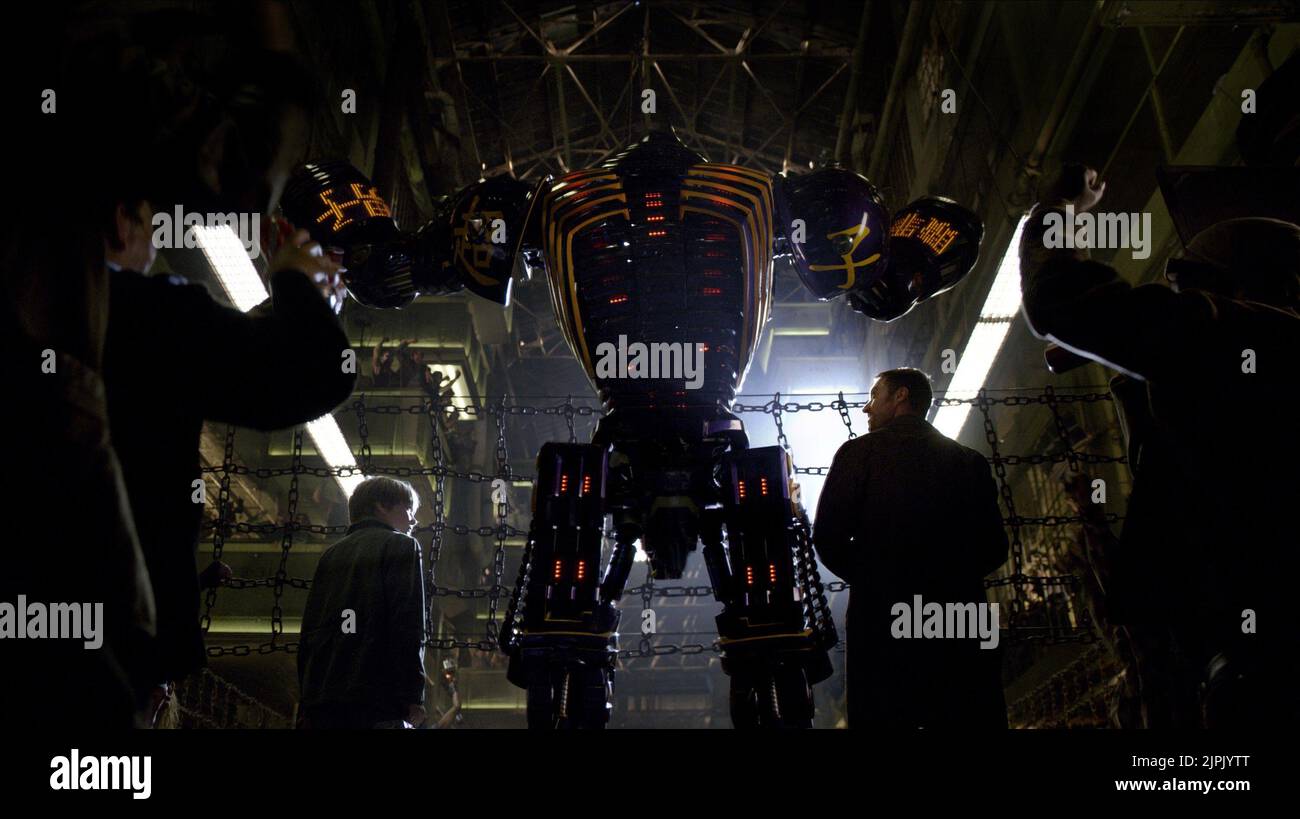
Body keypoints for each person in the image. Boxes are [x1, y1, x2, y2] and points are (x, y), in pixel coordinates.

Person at [1019, 164, 1300, 727]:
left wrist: (1058, 214)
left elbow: (1060, 299)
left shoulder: (1237, 333)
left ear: (1231, 287)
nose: (1178, 301)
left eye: (1186, 291)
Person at [814, 368, 1009, 728]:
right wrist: (951, 577)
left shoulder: (859, 454)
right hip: (957, 619)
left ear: (900, 396)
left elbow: (828, 537)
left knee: (885, 715)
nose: (867, 409)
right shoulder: (969, 461)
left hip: (883, 621)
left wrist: (877, 578)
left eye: (875, 396)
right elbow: (995, 547)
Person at [298, 477, 428, 729]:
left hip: (325, 701)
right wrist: (413, 694)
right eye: (408, 509)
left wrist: (307, 700)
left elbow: (310, 632)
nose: (414, 520)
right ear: (382, 506)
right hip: (378, 698)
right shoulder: (401, 545)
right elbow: (407, 623)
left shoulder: (331, 554)